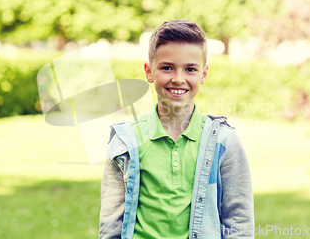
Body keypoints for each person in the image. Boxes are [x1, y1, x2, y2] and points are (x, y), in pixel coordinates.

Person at [99, 19, 254, 239]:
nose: (178, 79)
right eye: (167, 67)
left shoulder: (223, 140)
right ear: (149, 71)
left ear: (203, 74)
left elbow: (239, 221)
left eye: (190, 69)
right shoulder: (126, 140)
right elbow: (110, 221)